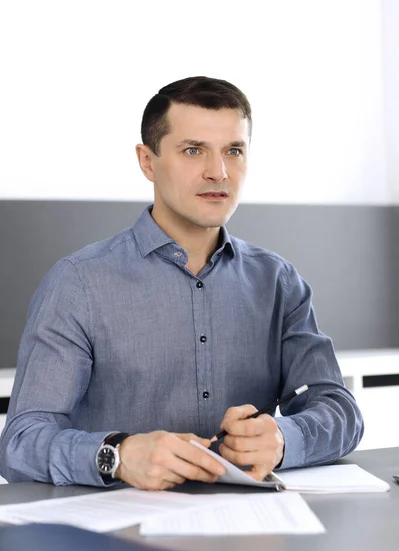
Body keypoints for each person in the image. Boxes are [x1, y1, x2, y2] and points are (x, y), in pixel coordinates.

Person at [0, 76, 364, 489]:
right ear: (147, 161)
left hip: (253, 526)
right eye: (193, 150)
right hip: (119, 536)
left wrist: (283, 439)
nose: (218, 172)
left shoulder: (278, 282)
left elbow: (340, 410)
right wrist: (118, 454)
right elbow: (20, 444)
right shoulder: (78, 283)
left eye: (234, 150)